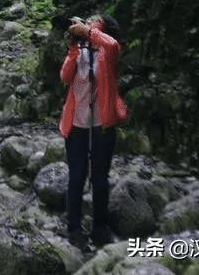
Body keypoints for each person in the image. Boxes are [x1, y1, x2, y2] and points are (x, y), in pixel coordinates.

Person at [59, 14, 127, 249]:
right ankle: (74, 229)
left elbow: (112, 44)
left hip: (102, 123)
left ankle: (100, 227)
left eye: (94, 21)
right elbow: (65, 76)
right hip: (77, 123)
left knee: (99, 179)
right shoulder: (78, 49)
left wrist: (88, 31)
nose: (88, 23)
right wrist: (73, 49)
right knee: (76, 176)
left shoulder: (107, 51)